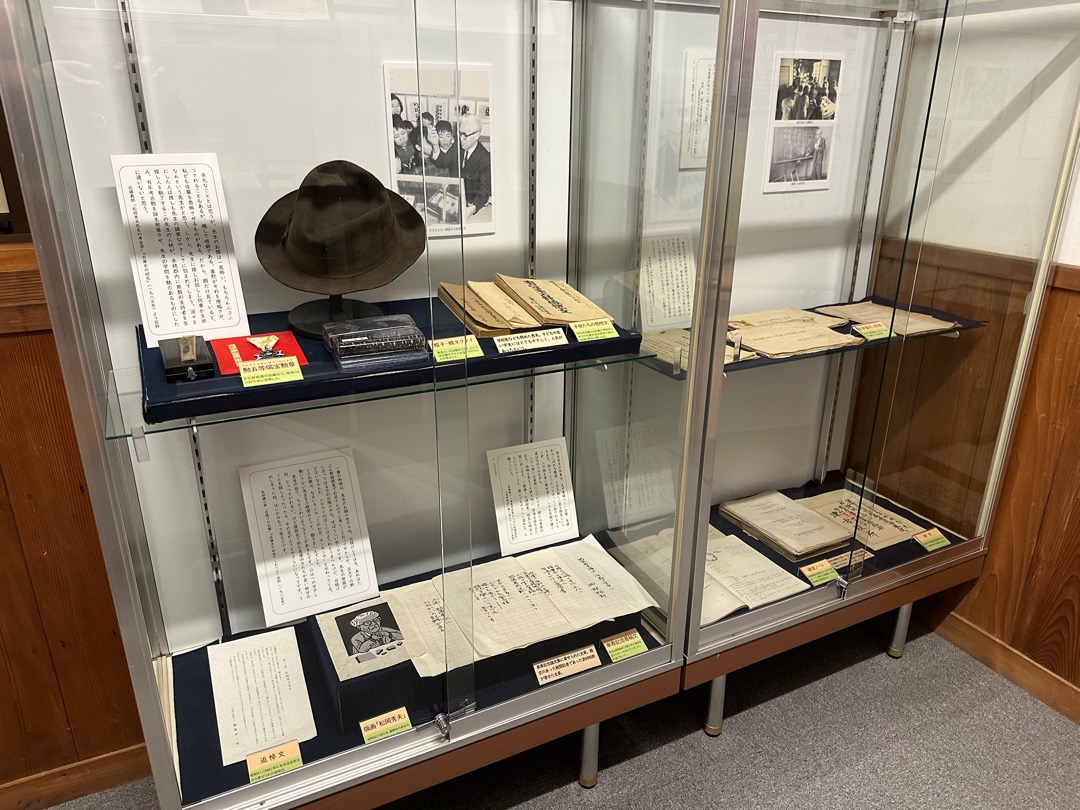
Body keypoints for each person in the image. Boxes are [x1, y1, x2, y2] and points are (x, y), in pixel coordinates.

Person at [458, 113, 491, 214]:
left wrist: (472, 208)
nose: (461, 139)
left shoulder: (486, 159)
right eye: (460, 133)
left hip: (471, 206)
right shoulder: (458, 148)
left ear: (477, 135)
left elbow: (484, 189)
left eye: (465, 135)